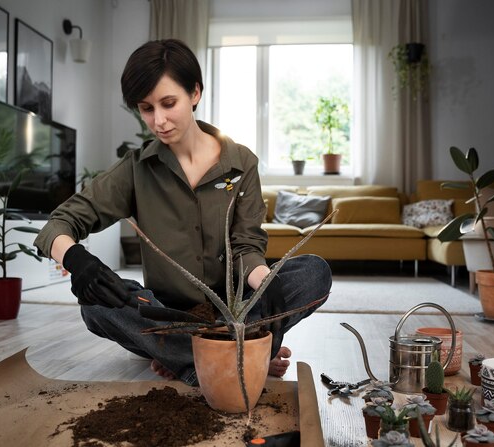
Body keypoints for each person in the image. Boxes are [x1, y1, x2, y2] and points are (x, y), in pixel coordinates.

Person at [34, 38, 332, 386]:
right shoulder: (136, 169)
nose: (158, 121)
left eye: (168, 103)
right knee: (96, 306)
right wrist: (77, 261)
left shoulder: (241, 164)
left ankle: (185, 359)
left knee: (313, 272)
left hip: (239, 309)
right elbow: (58, 223)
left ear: (195, 93)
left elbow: (247, 247)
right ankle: (241, 356)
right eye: (146, 109)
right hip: (169, 314)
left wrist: (266, 282)